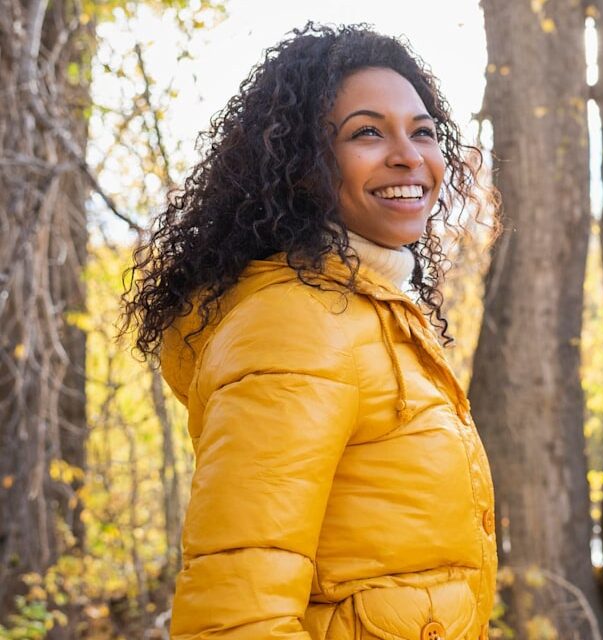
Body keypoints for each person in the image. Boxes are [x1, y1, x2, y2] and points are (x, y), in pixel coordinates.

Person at [122, 23, 497, 640]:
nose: (409, 155)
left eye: (422, 131)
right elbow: (235, 615)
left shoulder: (371, 315)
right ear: (300, 166)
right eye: (367, 132)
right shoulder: (298, 325)